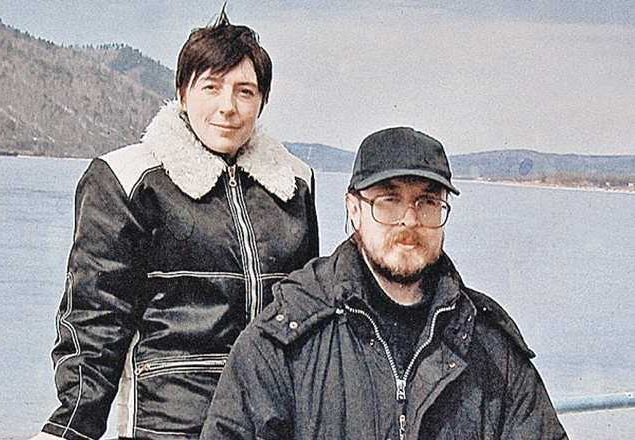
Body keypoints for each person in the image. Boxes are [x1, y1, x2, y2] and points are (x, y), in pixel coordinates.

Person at [30, 10, 319, 440]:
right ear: (183, 93)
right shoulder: (129, 178)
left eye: (245, 91)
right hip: (168, 422)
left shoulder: (292, 182)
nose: (228, 107)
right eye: (211, 87)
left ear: (262, 101)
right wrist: (71, 425)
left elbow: (308, 316)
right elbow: (97, 315)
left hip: (272, 419)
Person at [201, 127, 568, 439]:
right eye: (389, 201)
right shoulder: (287, 337)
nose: (409, 220)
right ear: (354, 208)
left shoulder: (488, 345)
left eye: (427, 201)